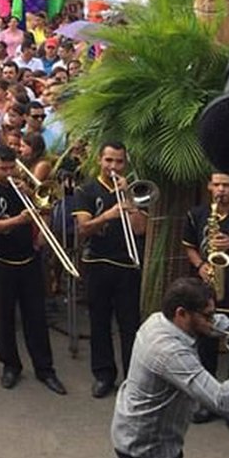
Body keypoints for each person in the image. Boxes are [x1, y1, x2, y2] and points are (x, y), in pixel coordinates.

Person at [112, 278, 229, 458]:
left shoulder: (159, 319)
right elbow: (221, 400)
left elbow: (215, 325)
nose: (212, 321)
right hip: (148, 449)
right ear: (181, 313)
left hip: (147, 438)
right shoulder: (169, 351)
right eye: (207, 315)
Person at [0, 145, 66, 395]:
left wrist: (33, 198)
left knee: (36, 316)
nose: (8, 173)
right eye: (2, 168)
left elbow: (45, 211)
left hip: (28, 258)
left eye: (11, 167)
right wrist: (18, 220)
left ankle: (45, 369)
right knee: (3, 316)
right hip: (0, 261)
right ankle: (10, 365)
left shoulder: (21, 187)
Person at [73, 141, 146, 399]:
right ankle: (104, 375)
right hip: (98, 263)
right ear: (100, 161)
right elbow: (83, 229)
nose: (113, 167)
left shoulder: (133, 191)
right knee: (99, 322)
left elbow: (140, 230)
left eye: (118, 162)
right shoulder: (86, 190)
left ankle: (132, 378)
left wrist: (128, 199)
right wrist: (108, 215)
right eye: (109, 160)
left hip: (127, 266)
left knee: (130, 325)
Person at [182, 171, 229, 429]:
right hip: (208, 295)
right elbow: (189, 246)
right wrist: (199, 266)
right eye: (216, 184)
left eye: (226, 185)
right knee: (205, 350)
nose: (221, 190)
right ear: (209, 186)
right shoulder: (197, 214)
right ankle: (208, 404)